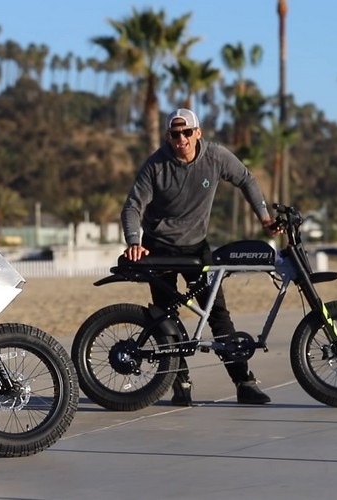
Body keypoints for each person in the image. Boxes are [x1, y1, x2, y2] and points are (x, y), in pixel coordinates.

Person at [121, 108, 279, 406]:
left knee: (217, 313)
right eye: (174, 134)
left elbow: (246, 179)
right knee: (166, 318)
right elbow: (132, 206)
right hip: (160, 249)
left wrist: (264, 218)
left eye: (186, 133)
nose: (180, 139)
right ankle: (180, 383)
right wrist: (134, 242)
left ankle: (244, 383)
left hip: (197, 247)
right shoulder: (156, 164)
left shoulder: (216, 157)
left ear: (198, 132)